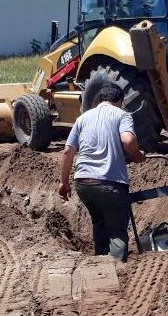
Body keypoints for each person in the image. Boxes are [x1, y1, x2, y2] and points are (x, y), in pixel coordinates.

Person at [58, 81, 146, 262]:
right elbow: (128, 141)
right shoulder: (122, 115)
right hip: (110, 183)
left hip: (83, 183)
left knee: (99, 224)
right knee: (116, 231)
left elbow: (67, 151)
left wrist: (64, 182)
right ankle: (117, 270)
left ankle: (100, 267)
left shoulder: (82, 118)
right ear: (119, 100)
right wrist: (138, 156)